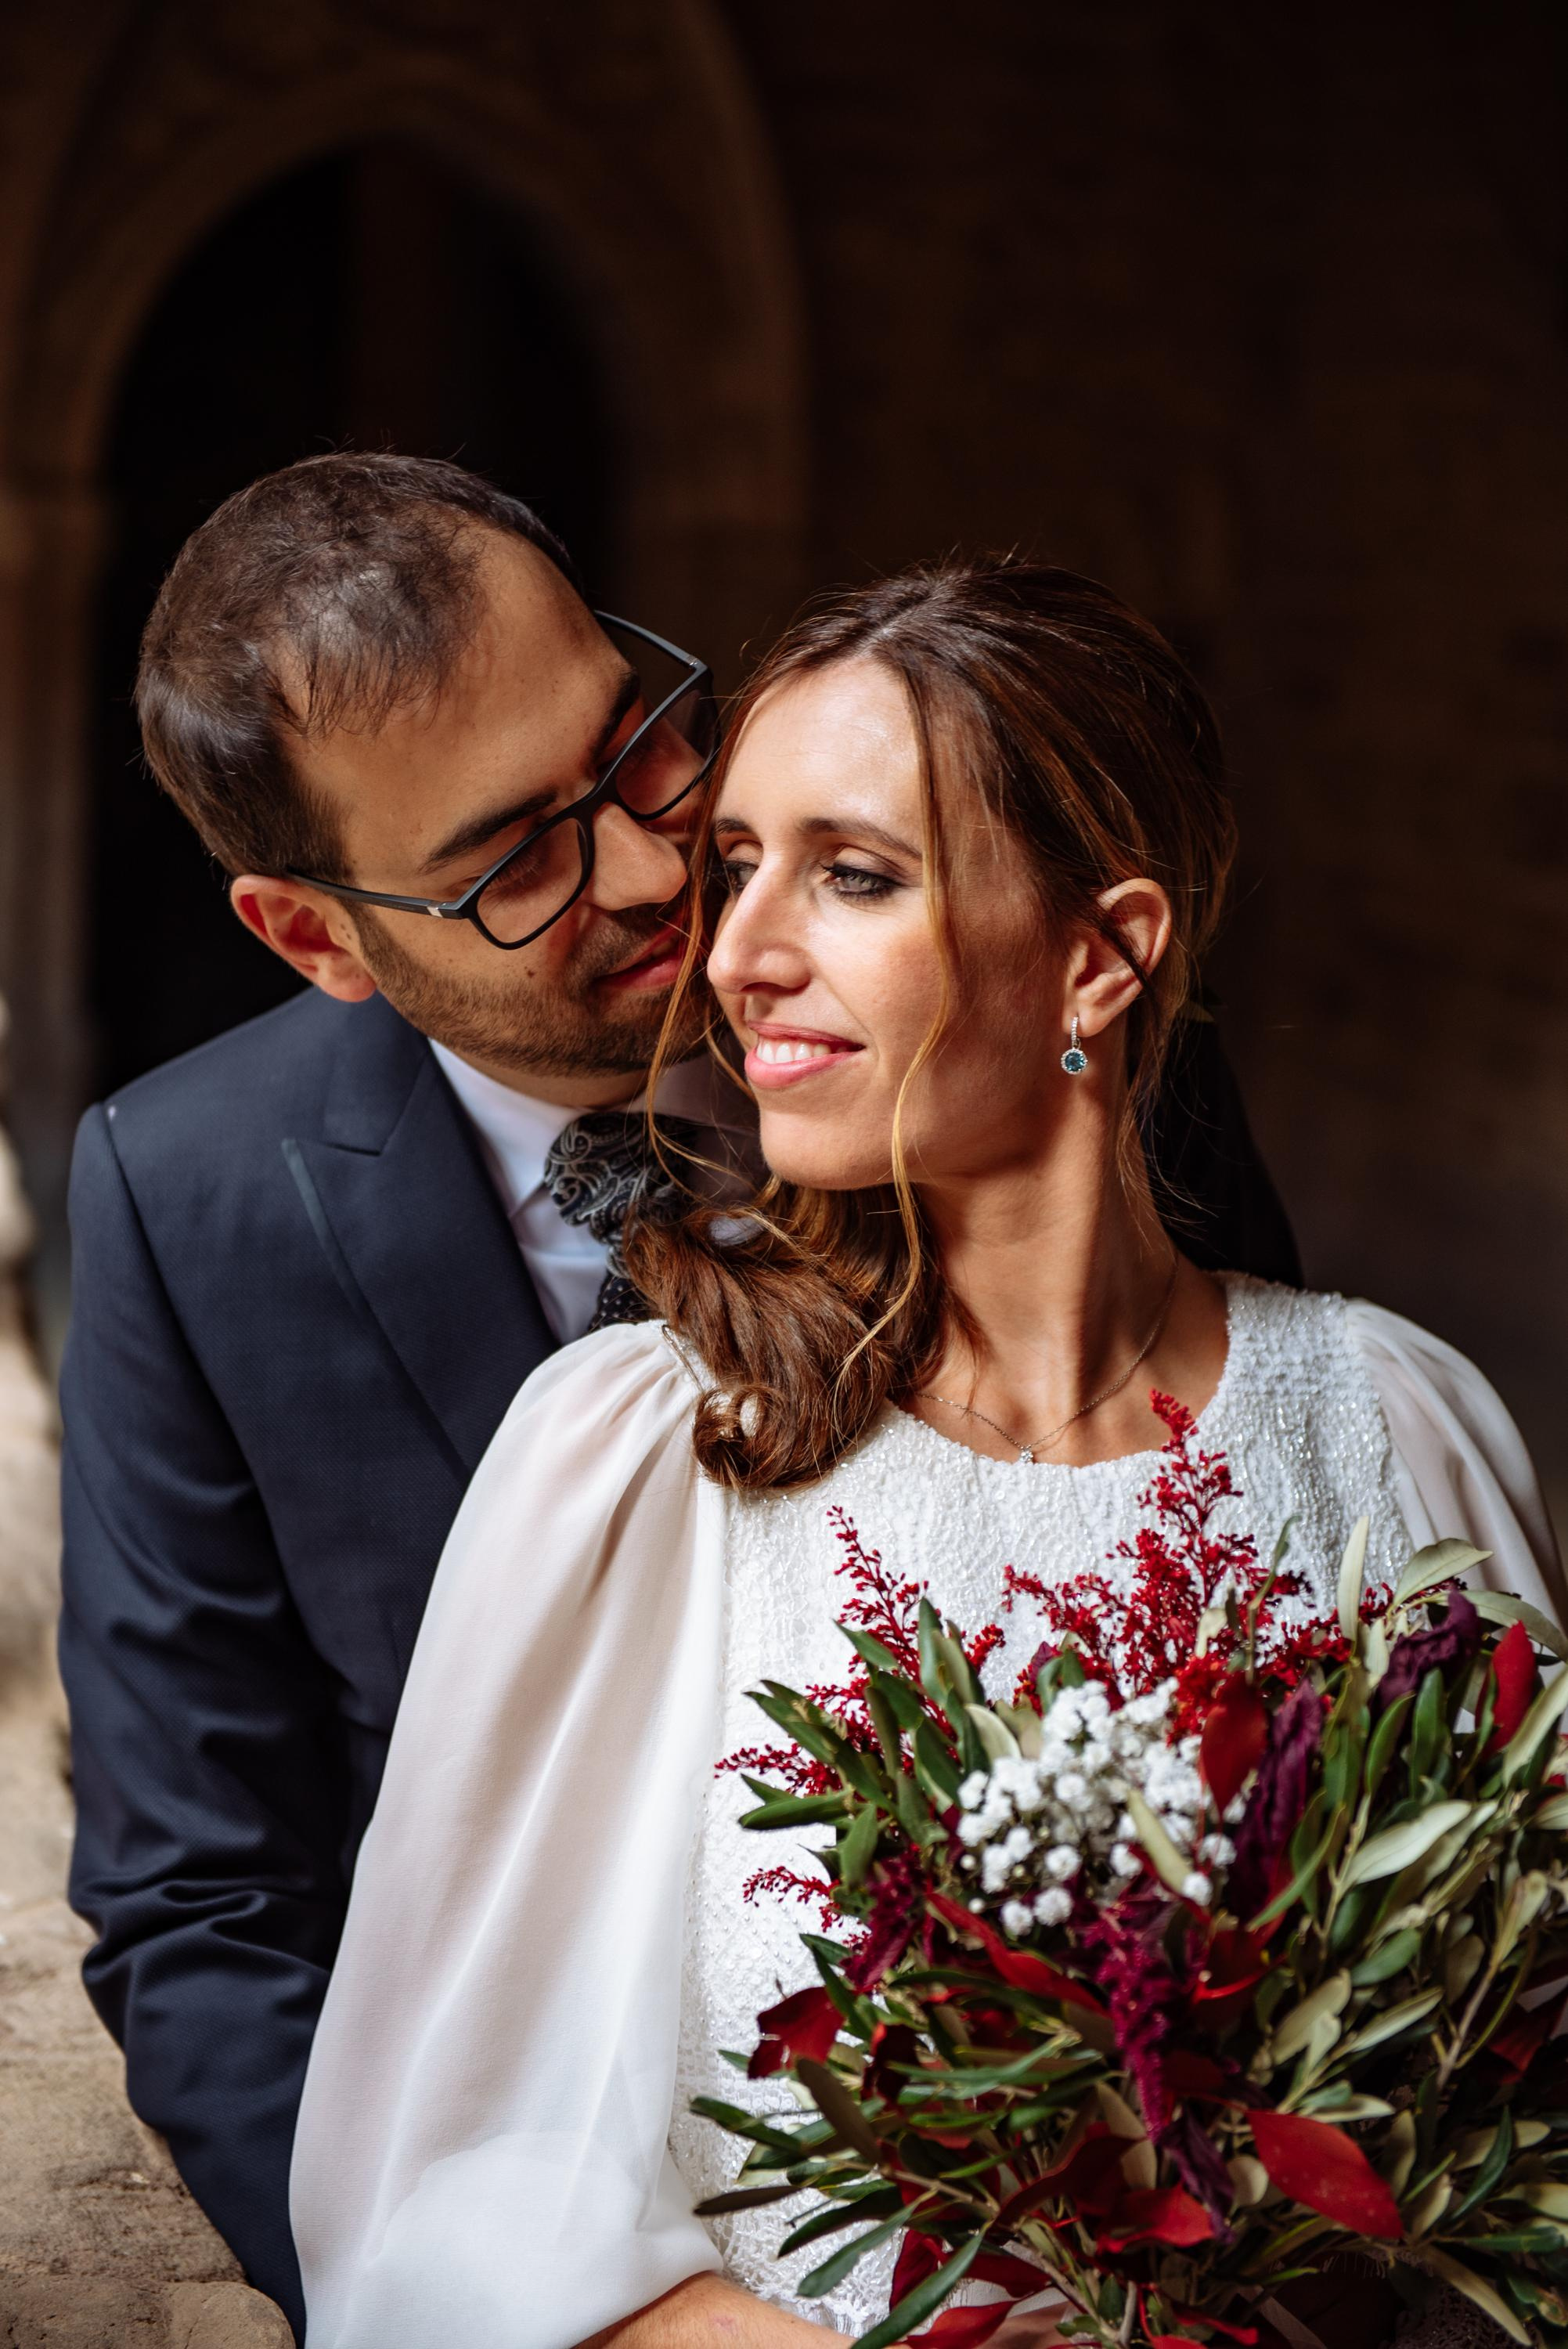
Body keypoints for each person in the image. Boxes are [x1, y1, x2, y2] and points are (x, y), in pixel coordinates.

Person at [58, 466, 1295, 2340]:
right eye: (513, 859)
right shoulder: (187, 1193)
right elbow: (204, 1901)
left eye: (636, 742)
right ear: (317, 940)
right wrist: (455, 2292)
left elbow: (1260, 1589)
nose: (653, 869)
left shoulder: (1042, 1035)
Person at [289, 557, 1566, 2349]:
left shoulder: (1398, 1427)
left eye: (855, 874)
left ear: (1100, 957)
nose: (737, 953)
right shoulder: (647, 1463)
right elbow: (440, 2216)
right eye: (741, 861)